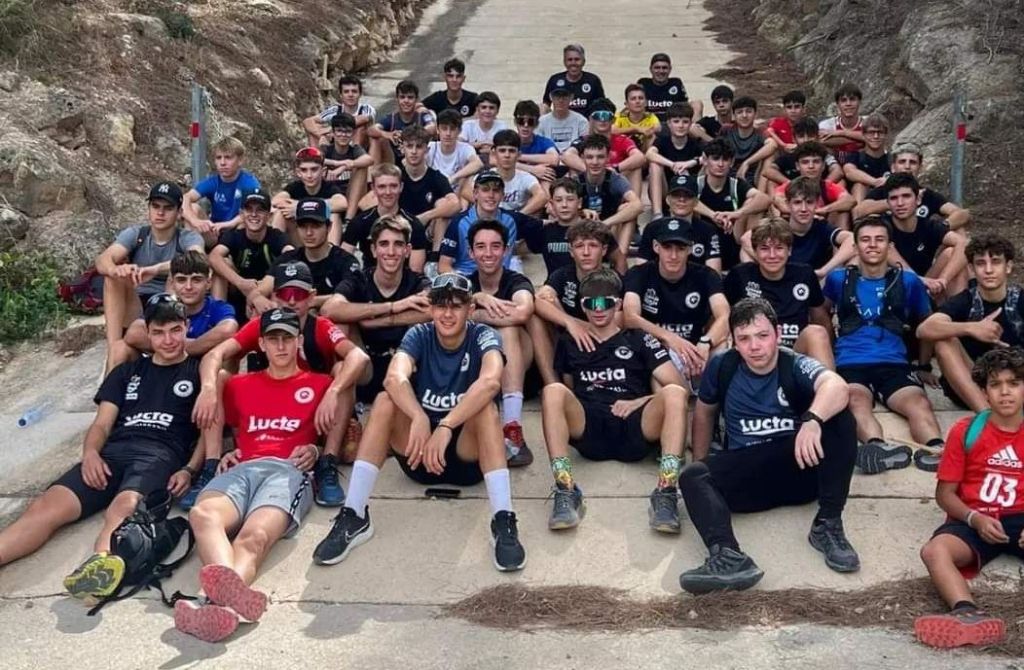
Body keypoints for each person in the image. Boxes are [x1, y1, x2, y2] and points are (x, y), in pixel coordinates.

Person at [312, 273, 527, 572]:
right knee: (386, 400)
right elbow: (394, 377)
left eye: (456, 306)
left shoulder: (483, 335)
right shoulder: (420, 333)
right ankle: (354, 513)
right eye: (440, 306)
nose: (447, 314)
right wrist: (418, 416)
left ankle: (503, 518)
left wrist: (446, 426)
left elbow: (491, 381)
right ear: (431, 309)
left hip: (466, 457)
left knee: (487, 409)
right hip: (419, 452)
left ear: (469, 309)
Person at [0, 297, 202, 598]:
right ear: (147, 333)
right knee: (46, 506)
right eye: (159, 332)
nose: (169, 340)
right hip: (112, 452)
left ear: (187, 327)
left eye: (175, 330)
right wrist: (90, 454)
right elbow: (102, 425)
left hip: (159, 454)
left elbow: (209, 430)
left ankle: (100, 567)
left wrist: (190, 468)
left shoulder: (200, 373)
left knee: (124, 506)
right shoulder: (126, 372)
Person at [174, 307, 339, 642]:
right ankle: (227, 605)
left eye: (287, 338)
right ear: (261, 344)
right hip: (242, 467)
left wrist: (317, 449)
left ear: (298, 341)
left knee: (254, 537)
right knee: (203, 515)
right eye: (273, 339)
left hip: (288, 470)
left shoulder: (320, 384)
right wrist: (224, 449)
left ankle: (211, 604)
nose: (281, 346)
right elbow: (224, 423)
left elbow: (341, 438)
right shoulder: (239, 384)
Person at [678, 298, 860, 594]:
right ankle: (729, 556)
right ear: (733, 342)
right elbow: (704, 413)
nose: (755, 346)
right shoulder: (722, 366)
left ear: (778, 333)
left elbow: (837, 385)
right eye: (744, 339)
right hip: (747, 472)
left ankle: (827, 524)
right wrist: (702, 462)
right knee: (693, 475)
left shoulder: (794, 364)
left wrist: (813, 420)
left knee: (839, 418)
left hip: (800, 467)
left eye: (762, 335)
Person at [195, 261, 371, 507]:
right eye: (285, 294)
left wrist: (333, 391)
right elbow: (215, 354)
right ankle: (211, 464)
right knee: (218, 375)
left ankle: (327, 463)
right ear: (275, 297)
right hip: (273, 402)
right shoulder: (262, 325)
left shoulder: (320, 326)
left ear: (311, 297)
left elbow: (359, 357)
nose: (292, 301)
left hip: (317, 405)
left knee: (343, 370)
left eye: (299, 294)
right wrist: (208, 389)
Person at [543, 269, 689, 531]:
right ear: (582, 306)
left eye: (606, 302)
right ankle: (565, 488)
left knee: (675, 395)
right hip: (590, 426)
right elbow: (569, 388)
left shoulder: (639, 338)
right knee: (552, 391)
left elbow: (677, 385)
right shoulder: (569, 341)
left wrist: (640, 401)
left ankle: (666, 491)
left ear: (618, 304)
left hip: (634, 424)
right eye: (591, 303)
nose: (599, 309)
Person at [913, 347, 1024, 649]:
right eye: (995, 384)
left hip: (1020, 516)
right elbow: (944, 495)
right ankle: (968, 613)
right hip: (975, 516)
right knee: (934, 551)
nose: (1005, 392)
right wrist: (975, 518)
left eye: (1014, 383)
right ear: (984, 392)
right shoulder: (967, 430)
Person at [822, 216, 945, 473]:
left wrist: (923, 365)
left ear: (890, 246)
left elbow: (927, 324)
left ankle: (936, 449)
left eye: (879, 240)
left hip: (894, 362)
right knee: (855, 401)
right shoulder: (838, 279)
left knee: (919, 402)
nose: (872, 245)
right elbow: (820, 312)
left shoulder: (908, 282)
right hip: (851, 362)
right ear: (855, 246)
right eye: (865, 240)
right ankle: (876, 447)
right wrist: (829, 352)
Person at [96, 181, 205, 374]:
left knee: (175, 276)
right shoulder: (136, 234)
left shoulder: (187, 237)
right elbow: (103, 259)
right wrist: (117, 270)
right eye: (155, 206)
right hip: (138, 305)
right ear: (149, 208)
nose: (160, 213)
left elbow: (198, 258)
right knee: (112, 278)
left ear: (179, 212)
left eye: (168, 208)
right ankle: (112, 348)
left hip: (171, 304)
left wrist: (155, 269)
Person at [322, 216, 431, 408]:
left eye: (398, 244)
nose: (391, 252)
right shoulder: (359, 279)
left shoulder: (417, 281)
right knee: (340, 324)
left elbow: (434, 310)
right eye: (384, 244)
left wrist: (381, 321)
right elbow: (329, 309)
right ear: (373, 250)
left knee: (430, 323)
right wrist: (393, 306)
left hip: (405, 367)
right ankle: (349, 413)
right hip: (366, 367)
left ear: (407, 251)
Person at [917, 233, 1024, 411]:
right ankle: (986, 416)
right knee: (944, 340)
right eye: (981, 263)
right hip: (973, 385)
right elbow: (924, 329)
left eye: (996, 262)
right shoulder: (965, 300)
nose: (988, 270)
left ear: (1008, 267)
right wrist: (972, 328)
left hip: (1016, 384)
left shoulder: (1019, 299)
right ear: (972, 269)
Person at [623, 219, 729, 385]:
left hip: (696, 348)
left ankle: (713, 396)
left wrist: (706, 342)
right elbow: (630, 317)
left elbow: (724, 315)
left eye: (680, 248)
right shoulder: (638, 273)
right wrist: (670, 338)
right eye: (667, 247)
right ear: (656, 247)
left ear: (690, 249)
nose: (673, 256)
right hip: (657, 348)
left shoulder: (706, 275)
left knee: (722, 344)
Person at [465, 220, 536, 467]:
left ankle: (512, 427)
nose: (488, 253)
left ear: (506, 251)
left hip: (517, 365)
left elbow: (522, 311)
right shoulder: (466, 285)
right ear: (470, 252)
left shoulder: (516, 281)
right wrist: (477, 297)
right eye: (481, 247)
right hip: (479, 370)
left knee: (507, 329)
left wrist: (473, 312)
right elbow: (441, 313)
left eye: (495, 246)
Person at [725, 219, 834, 367]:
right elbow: (723, 317)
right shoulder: (740, 275)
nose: (772, 255)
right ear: (755, 251)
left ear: (789, 250)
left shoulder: (804, 274)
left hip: (794, 352)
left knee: (817, 332)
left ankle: (829, 382)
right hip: (755, 350)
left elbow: (821, 319)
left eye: (779, 248)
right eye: (764, 248)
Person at [113, 251, 238, 369]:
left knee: (230, 349)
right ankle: (110, 385)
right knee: (120, 348)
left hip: (202, 370)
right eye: (181, 280)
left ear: (208, 283)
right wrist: (180, 346)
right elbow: (133, 333)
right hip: (163, 369)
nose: (188, 287)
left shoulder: (217, 307)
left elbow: (229, 329)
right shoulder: (164, 305)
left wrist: (186, 347)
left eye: (196, 280)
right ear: (172, 283)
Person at [529, 220, 616, 385]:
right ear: (571, 251)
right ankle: (553, 384)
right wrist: (569, 322)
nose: (586, 252)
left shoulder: (612, 280)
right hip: (567, 340)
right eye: (579, 246)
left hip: (602, 344)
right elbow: (537, 300)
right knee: (537, 314)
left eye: (593, 246)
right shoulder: (562, 275)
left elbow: (620, 320)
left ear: (604, 250)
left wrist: (581, 326)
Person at [741, 177, 854, 278]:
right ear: (788, 204)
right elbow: (745, 239)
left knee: (855, 256)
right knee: (744, 252)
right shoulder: (780, 225)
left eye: (809, 202)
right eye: (797, 203)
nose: (803, 209)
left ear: (816, 204)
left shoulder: (821, 226)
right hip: (781, 278)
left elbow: (852, 239)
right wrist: (773, 265)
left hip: (814, 280)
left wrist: (824, 270)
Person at [208, 187, 293, 320]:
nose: (254, 214)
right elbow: (214, 256)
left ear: (269, 216)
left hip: (266, 292)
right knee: (222, 264)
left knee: (287, 267)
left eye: (260, 210)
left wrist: (260, 289)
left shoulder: (276, 236)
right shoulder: (234, 235)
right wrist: (241, 283)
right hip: (238, 290)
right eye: (249, 209)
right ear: (241, 214)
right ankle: (217, 319)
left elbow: (291, 254)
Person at [882, 173, 968, 302]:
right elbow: (887, 250)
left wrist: (943, 280)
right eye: (894, 198)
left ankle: (956, 310)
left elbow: (964, 243)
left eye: (906, 196)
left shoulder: (927, 225)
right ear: (888, 203)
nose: (900, 203)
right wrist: (919, 280)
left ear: (918, 200)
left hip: (925, 288)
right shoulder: (881, 226)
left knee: (952, 253)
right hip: (892, 290)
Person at [261, 199, 361, 309]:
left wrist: (306, 301)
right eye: (303, 226)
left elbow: (348, 296)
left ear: (329, 227)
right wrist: (258, 298)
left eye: (316, 226)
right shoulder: (287, 258)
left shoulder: (345, 261)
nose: (309, 233)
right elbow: (262, 290)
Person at [692, 139, 771, 269]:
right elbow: (680, 200)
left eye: (725, 159)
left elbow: (765, 199)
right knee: (685, 205)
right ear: (705, 160)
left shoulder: (736, 184)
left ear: (732, 162)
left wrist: (736, 214)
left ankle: (749, 257)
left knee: (752, 203)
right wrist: (713, 215)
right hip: (701, 241)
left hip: (733, 239)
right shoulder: (696, 183)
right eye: (715, 159)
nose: (721, 164)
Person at [853, 143, 970, 228]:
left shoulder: (927, 194)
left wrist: (942, 227)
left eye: (912, 162)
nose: (907, 167)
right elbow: (859, 211)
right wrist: (898, 203)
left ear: (920, 167)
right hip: (888, 244)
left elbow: (962, 213)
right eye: (902, 162)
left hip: (921, 244)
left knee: (958, 230)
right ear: (893, 167)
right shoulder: (881, 191)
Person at [343, 164, 430, 272]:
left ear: (401, 187)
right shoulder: (359, 222)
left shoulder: (414, 225)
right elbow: (343, 262)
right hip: (368, 278)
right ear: (373, 189)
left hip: (404, 279)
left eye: (393, 186)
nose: (388, 192)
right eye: (382, 187)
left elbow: (416, 270)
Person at [568, 133, 644, 257]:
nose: (595, 162)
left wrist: (605, 224)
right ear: (582, 158)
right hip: (583, 232)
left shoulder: (615, 178)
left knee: (627, 208)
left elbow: (638, 205)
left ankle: (620, 257)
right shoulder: (575, 181)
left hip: (609, 230)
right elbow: (558, 209)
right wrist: (581, 212)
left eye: (600, 157)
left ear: (608, 157)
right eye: (590, 157)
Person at [439, 169, 528, 275]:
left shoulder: (512, 219)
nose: (491, 195)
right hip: (467, 277)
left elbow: (542, 228)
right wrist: (462, 281)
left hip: (502, 279)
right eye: (485, 190)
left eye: (496, 190)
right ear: (475, 193)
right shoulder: (459, 222)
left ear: (502, 195)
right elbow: (443, 266)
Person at [182, 136, 261, 244]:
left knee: (246, 221)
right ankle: (193, 250)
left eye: (228, 158)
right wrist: (195, 221)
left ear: (240, 160)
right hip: (215, 232)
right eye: (219, 158)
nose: (222, 163)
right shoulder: (212, 181)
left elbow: (256, 211)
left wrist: (227, 225)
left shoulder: (249, 183)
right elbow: (185, 198)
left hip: (237, 232)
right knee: (193, 208)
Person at [563, 98, 646, 197]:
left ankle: (634, 202)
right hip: (589, 184)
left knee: (636, 167)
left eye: (606, 116)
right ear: (591, 119)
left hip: (615, 183)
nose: (602, 120)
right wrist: (594, 170)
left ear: (613, 120)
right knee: (573, 168)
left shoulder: (622, 140)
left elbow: (639, 157)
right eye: (597, 116)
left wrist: (615, 169)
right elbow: (567, 155)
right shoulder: (584, 140)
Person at [393, 126, 461, 247]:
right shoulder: (395, 176)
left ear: (427, 149)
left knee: (443, 203)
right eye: (409, 146)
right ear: (402, 148)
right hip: (400, 231)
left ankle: (435, 255)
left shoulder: (436, 177)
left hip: (427, 234)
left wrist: (427, 216)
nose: (414, 151)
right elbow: (367, 201)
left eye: (419, 147)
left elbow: (456, 204)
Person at [639, 175, 721, 273]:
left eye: (688, 195)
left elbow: (714, 272)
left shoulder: (707, 230)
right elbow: (641, 269)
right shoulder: (653, 228)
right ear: (667, 200)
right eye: (676, 195)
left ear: (696, 202)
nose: (682, 199)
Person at [271, 147, 348, 246]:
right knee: (280, 213)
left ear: (323, 171)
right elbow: (276, 201)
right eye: (304, 170)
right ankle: (276, 250)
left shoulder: (329, 188)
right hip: (300, 239)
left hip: (323, 241)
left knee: (334, 215)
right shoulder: (295, 187)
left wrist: (300, 207)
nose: (309, 175)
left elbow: (342, 203)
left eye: (314, 169)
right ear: (298, 172)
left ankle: (331, 253)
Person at [771, 141, 855, 229]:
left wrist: (823, 210)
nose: (811, 166)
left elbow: (850, 200)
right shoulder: (789, 186)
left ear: (823, 165)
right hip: (794, 228)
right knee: (780, 213)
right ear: (797, 166)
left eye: (816, 161)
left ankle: (839, 237)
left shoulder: (827, 186)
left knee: (843, 211)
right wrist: (807, 214)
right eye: (805, 162)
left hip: (821, 227)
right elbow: (778, 200)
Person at [469, 129, 547, 216]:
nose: (507, 155)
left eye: (512, 151)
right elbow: (466, 191)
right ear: (494, 153)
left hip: (517, 221)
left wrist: (517, 216)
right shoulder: (485, 176)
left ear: (519, 154)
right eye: (502, 151)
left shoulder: (526, 178)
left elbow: (542, 196)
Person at [646, 103, 704, 217]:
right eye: (676, 121)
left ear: (690, 124)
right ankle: (657, 214)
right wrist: (672, 165)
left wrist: (689, 163)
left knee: (708, 165)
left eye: (685, 122)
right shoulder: (663, 141)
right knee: (655, 165)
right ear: (669, 123)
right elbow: (649, 154)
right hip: (665, 191)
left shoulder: (695, 143)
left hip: (688, 192)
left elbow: (708, 157)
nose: (680, 126)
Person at [321, 112, 374, 221]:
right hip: (332, 196)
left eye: (348, 132)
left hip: (352, 196)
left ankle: (348, 219)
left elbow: (369, 160)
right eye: (339, 131)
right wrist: (335, 164)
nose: (343, 135)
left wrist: (344, 166)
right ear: (333, 133)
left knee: (361, 167)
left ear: (353, 134)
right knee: (316, 169)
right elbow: (315, 159)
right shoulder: (327, 149)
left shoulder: (355, 149)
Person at [369, 80, 436, 163]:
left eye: (410, 97)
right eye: (402, 97)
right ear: (397, 99)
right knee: (377, 139)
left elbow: (432, 128)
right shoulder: (392, 118)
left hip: (417, 160)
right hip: (394, 161)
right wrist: (387, 134)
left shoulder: (422, 115)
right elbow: (371, 129)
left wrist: (409, 135)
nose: (406, 101)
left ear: (416, 100)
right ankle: (373, 171)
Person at [302, 74, 376, 148]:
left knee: (361, 127)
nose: (350, 95)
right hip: (339, 146)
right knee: (314, 130)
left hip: (361, 148)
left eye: (354, 91)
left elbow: (364, 119)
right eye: (346, 92)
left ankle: (356, 153)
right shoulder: (335, 109)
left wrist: (332, 129)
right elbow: (307, 121)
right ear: (341, 95)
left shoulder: (366, 108)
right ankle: (316, 154)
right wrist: (320, 135)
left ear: (360, 94)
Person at [426, 109, 484, 190]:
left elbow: (478, 163)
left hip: (457, 191)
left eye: (452, 129)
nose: (448, 133)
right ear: (438, 130)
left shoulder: (465, 148)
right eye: (444, 129)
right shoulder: (430, 147)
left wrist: (453, 178)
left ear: (459, 131)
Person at [542, 43, 605, 115]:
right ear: (564, 62)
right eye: (569, 60)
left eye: (577, 59)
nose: (573, 63)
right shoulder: (554, 80)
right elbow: (546, 104)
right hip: (561, 121)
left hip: (586, 121)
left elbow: (602, 106)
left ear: (584, 61)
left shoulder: (593, 80)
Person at [638, 52, 701, 122]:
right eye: (657, 68)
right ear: (650, 69)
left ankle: (694, 127)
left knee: (697, 104)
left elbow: (685, 106)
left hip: (672, 123)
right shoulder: (643, 83)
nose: (661, 71)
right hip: (648, 123)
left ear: (670, 69)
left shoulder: (676, 83)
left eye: (664, 68)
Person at [842, 113, 891, 202]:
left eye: (880, 132)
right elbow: (849, 172)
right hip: (860, 198)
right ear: (864, 135)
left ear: (886, 135)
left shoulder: (892, 159)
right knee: (860, 185)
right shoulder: (855, 156)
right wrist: (875, 182)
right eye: (871, 132)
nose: (876, 136)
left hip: (886, 199)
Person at [727, 97, 775, 185]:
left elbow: (772, 144)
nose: (744, 115)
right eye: (739, 112)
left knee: (770, 156)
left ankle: (761, 192)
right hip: (726, 175)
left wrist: (747, 163)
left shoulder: (760, 132)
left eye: (749, 111)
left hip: (752, 177)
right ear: (734, 116)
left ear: (755, 114)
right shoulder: (727, 130)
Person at [512, 99, 559, 182]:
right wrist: (532, 169)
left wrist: (518, 157)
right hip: (514, 180)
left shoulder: (543, 142)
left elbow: (554, 159)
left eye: (530, 122)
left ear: (536, 124)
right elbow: (495, 161)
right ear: (515, 122)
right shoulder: (507, 140)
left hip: (538, 181)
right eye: (521, 121)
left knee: (548, 176)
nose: (525, 125)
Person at [818, 83, 865, 164]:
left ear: (859, 102)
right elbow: (822, 140)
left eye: (852, 99)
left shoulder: (868, 122)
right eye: (843, 100)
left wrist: (842, 133)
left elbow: (872, 138)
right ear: (837, 104)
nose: (848, 104)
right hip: (835, 166)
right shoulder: (828, 124)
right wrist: (860, 139)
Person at [537, 86, 590, 153]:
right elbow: (538, 144)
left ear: (571, 97)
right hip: (549, 156)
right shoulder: (541, 122)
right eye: (557, 96)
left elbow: (584, 143)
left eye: (564, 97)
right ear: (551, 97)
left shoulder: (581, 121)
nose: (561, 100)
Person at [459, 91, 507, 163]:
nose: (487, 111)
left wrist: (474, 147)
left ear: (497, 111)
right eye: (484, 107)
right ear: (477, 109)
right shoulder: (468, 125)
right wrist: (482, 144)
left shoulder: (502, 126)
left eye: (491, 108)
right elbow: (458, 145)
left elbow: (504, 148)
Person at [613, 83, 661, 153]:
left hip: (643, 151)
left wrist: (650, 131)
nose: (637, 101)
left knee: (651, 136)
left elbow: (658, 128)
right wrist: (636, 129)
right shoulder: (619, 116)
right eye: (633, 99)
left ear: (646, 103)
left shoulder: (650, 117)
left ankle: (646, 159)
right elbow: (612, 130)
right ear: (626, 104)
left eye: (640, 98)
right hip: (622, 153)